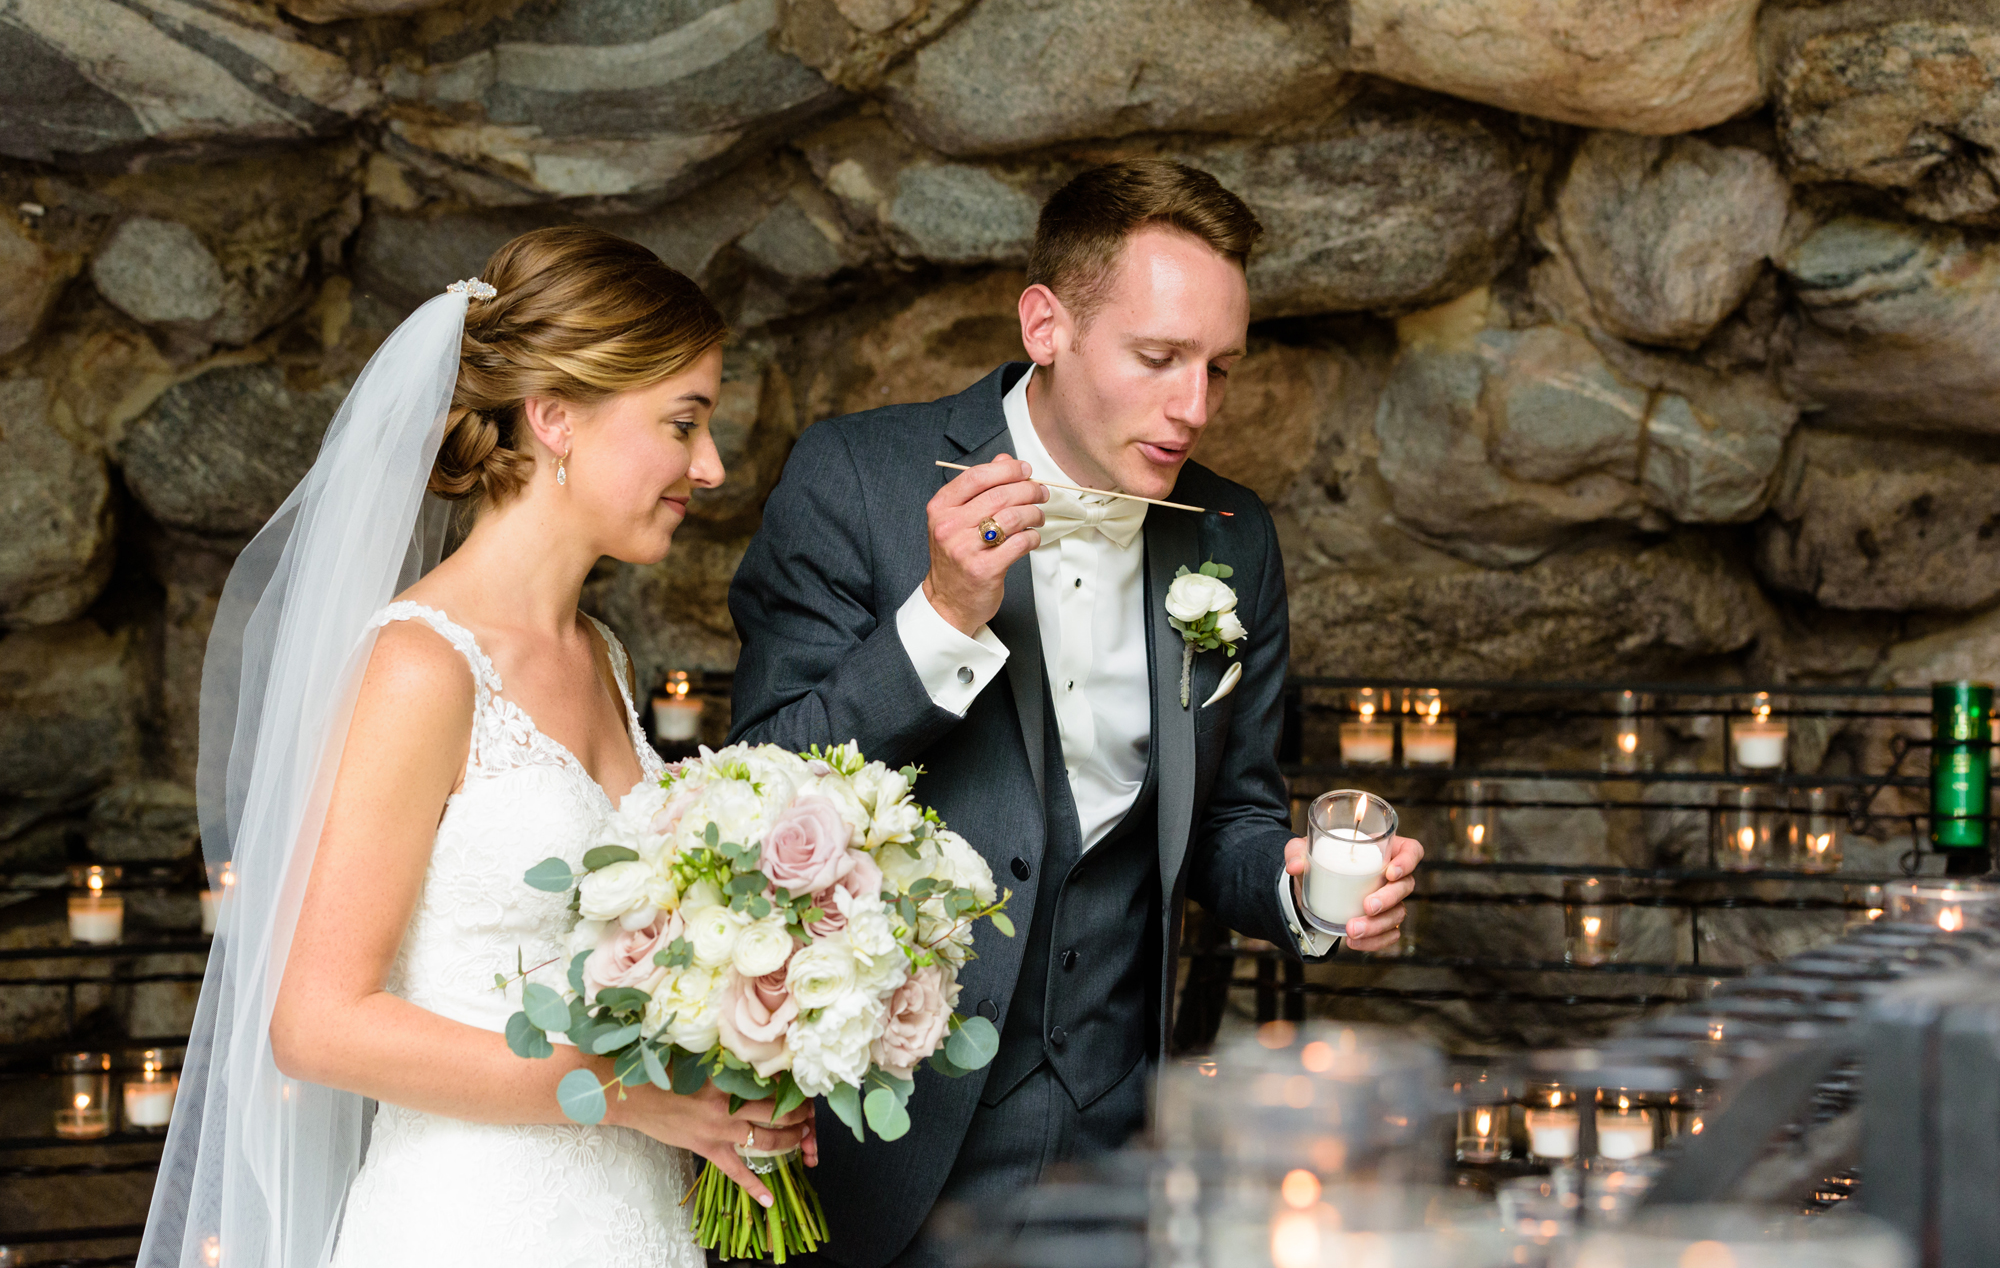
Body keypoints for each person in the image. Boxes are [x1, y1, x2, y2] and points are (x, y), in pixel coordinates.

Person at [728, 158, 1425, 1267]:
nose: (1192, 408)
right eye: (1157, 359)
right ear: (1045, 324)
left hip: (1112, 1138)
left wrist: (1299, 890)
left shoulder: (1231, 537)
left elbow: (1228, 819)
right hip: (883, 1128)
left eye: (1219, 370)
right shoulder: (855, 478)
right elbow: (756, 787)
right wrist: (947, 612)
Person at [138, 227, 808, 1268]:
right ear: (554, 418)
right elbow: (316, 1025)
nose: (709, 467)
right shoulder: (421, 666)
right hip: (473, 1222)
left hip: (634, 1217)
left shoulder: (605, 658)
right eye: (683, 423)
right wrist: (626, 1095)